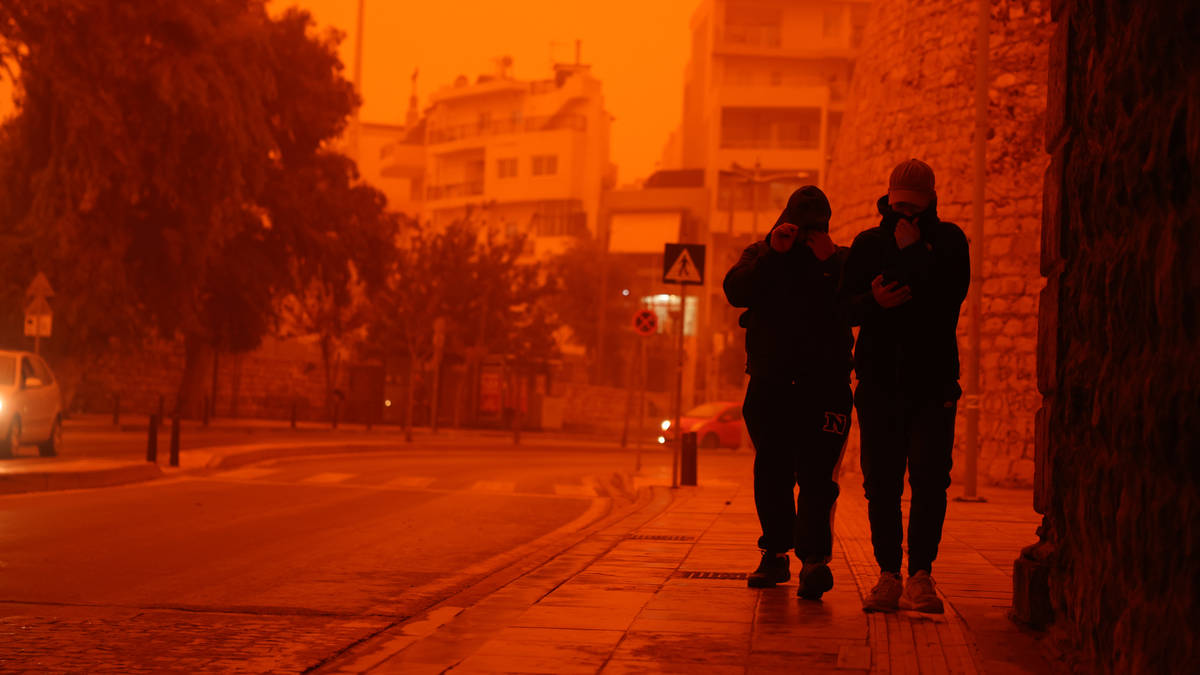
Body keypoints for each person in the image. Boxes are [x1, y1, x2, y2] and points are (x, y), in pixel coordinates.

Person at [840, 159, 970, 613]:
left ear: (931, 201)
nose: (905, 216)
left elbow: (949, 300)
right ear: (888, 199)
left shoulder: (949, 241)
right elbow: (844, 309)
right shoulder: (869, 244)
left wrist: (916, 254)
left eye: (914, 208)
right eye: (898, 206)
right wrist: (873, 302)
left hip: (933, 383)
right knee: (882, 483)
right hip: (879, 383)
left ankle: (922, 575)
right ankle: (888, 573)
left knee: (931, 480)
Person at [723, 186, 854, 600]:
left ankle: (814, 562)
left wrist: (831, 261)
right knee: (772, 474)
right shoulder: (762, 253)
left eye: (817, 228)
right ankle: (775, 553)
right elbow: (735, 291)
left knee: (818, 480)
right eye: (801, 227)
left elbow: (860, 301)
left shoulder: (842, 261)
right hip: (771, 385)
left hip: (825, 387)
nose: (807, 236)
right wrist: (773, 252)